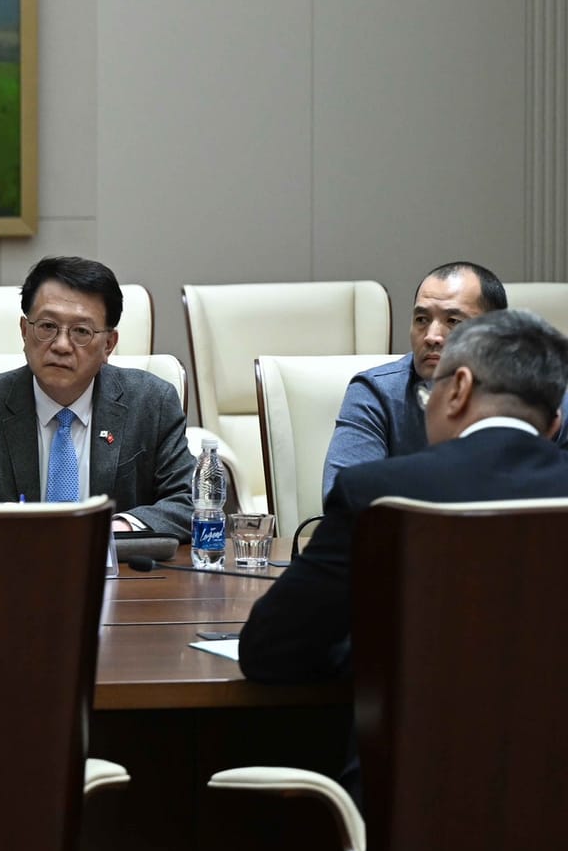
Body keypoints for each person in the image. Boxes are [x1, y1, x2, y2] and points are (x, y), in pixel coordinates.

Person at [242, 308, 568, 686]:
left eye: (428, 394)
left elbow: (269, 648)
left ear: (458, 390)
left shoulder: (378, 494)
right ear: (554, 425)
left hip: (423, 723)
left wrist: (377, 655)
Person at [0, 256, 192, 537]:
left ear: (108, 345)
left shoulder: (152, 403)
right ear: (25, 331)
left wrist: (113, 529)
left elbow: (190, 502)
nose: (62, 345)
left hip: (119, 564)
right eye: (47, 327)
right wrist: (4, 523)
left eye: (81, 331)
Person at [321, 261, 568, 497]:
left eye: (453, 321)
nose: (431, 336)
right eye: (421, 320)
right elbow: (346, 503)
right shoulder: (377, 392)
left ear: (495, 332)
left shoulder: (545, 394)